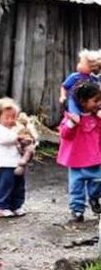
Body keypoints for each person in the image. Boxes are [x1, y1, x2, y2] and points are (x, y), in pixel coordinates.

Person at [57, 81, 101, 222]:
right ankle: (77, 210)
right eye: (96, 100)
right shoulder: (72, 117)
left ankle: (94, 198)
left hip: (95, 158)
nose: (99, 103)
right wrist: (72, 124)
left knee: (98, 181)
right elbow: (64, 134)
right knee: (76, 186)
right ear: (83, 101)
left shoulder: (96, 117)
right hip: (76, 160)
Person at [0, 98, 34, 218]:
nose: (11, 120)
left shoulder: (16, 129)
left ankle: (17, 205)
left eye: (13, 117)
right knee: (5, 184)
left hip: (18, 163)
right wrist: (19, 136)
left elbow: (20, 140)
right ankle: (2, 206)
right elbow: (7, 139)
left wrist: (27, 140)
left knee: (19, 185)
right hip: (4, 163)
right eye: (7, 117)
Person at [59, 49, 101, 124]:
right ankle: (69, 124)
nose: (78, 65)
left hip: (86, 104)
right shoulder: (75, 76)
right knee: (76, 119)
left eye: (81, 63)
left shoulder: (93, 79)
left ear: (91, 67)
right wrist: (62, 96)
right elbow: (64, 86)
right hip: (74, 100)